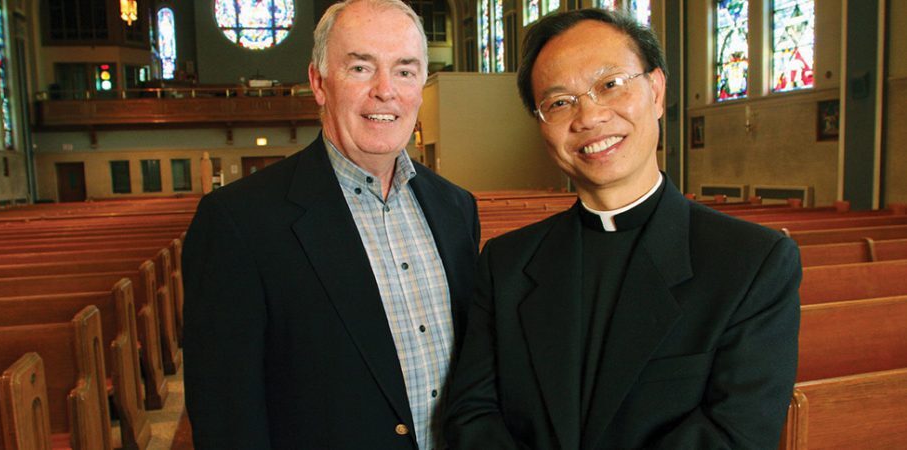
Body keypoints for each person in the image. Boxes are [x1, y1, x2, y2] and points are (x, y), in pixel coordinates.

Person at [445, 8, 800, 449]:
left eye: (610, 85)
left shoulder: (751, 262)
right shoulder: (507, 264)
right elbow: (472, 413)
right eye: (559, 102)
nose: (589, 117)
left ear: (656, 90)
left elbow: (735, 432)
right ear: (541, 126)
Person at [182, 1, 479, 448]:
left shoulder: (456, 208)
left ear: (421, 83)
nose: (386, 91)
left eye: (405, 70)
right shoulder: (237, 222)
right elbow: (227, 418)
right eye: (361, 68)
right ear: (319, 83)